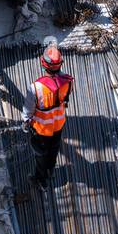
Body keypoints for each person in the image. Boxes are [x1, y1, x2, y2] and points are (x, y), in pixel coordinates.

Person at [25, 45, 73, 186]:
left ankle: (41, 181)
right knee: (53, 151)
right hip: (58, 126)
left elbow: (28, 110)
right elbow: (64, 96)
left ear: (43, 63)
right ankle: (50, 171)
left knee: (41, 155)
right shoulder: (68, 82)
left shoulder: (35, 87)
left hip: (41, 129)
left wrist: (25, 122)